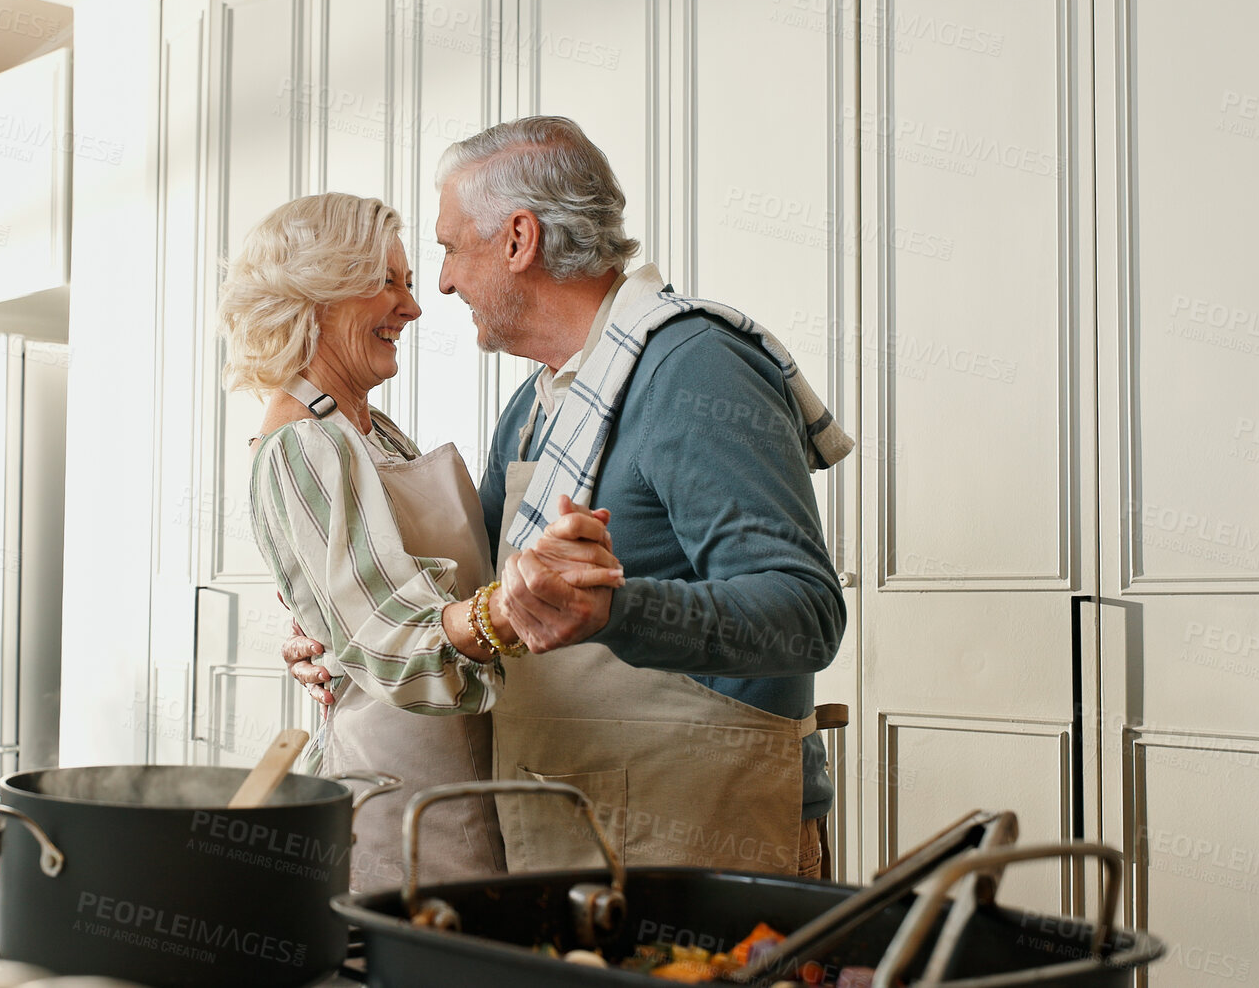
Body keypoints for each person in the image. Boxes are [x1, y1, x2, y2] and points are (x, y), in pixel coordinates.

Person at [286, 117, 853, 878]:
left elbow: (804, 614)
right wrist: (341, 623)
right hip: (570, 835)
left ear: (518, 240)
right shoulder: (533, 411)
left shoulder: (694, 370)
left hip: (704, 840)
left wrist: (614, 610)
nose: (444, 281)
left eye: (450, 247)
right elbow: (476, 599)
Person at [221, 192, 624, 891]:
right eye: (388, 281)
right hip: (396, 800)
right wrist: (508, 607)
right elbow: (386, 638)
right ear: (315, 295)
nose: (411, 307)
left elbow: (370, 603)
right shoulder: (299, 445)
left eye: (406, 281)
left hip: (461, 775)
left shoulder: (371, 433)